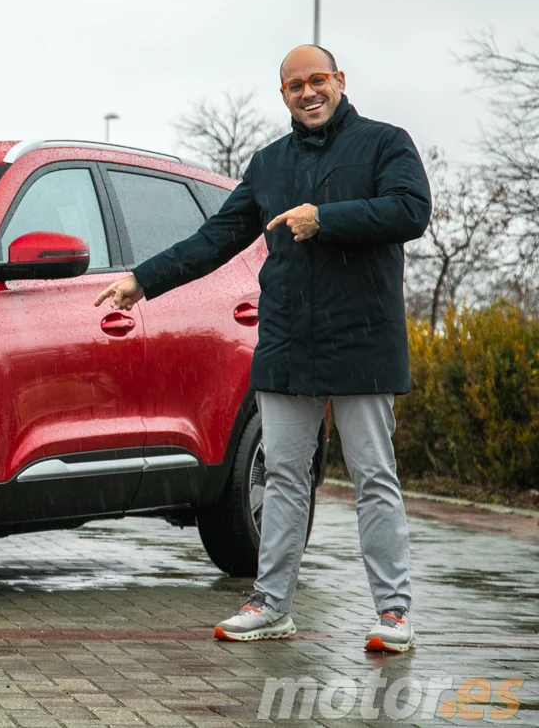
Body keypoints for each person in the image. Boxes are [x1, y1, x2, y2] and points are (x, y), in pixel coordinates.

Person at [95, 45, 431, 653]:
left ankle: (393, 611)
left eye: (318, 80)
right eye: (295, 85)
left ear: (340, 81)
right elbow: (215, 237)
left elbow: (411, 210)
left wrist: (325, 219)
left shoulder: (386, 143)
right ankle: (271, 604)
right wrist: (142, 281)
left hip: (362, 341)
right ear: (283, 96)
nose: (308, 92)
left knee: (374, 477)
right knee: (282, 478)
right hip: (286, 343)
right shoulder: (268, 164)